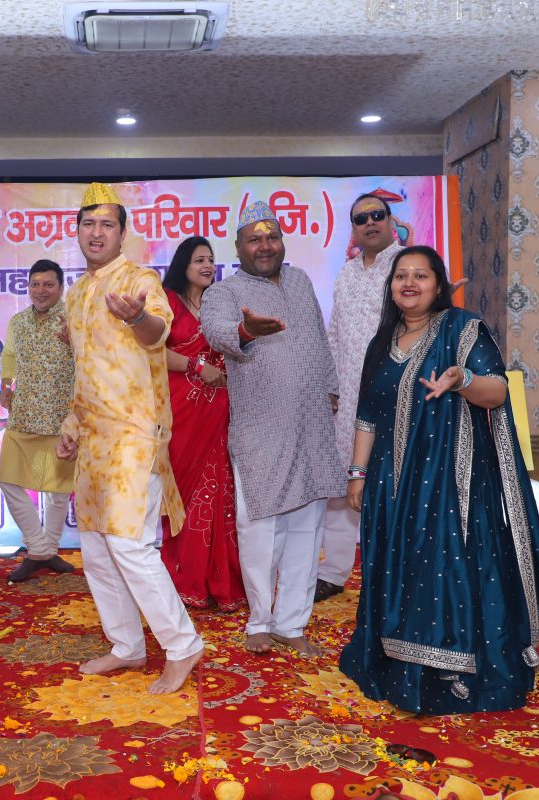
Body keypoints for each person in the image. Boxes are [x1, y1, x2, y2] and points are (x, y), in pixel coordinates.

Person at [338, 245, 539, 714]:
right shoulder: (381, 343)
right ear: (391, 287)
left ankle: (450, 672)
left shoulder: (462, 330)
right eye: (401, 275)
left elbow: (497, 391)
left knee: (444, 567)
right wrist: (357, 474)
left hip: (450, 485)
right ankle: (397, 662)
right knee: (396, 568)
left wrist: (462, 379)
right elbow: (367, 416)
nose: (409, 283)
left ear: (438, 285)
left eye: (420, 275)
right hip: (390, 485)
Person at [57, 182, 204, 695]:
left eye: (107, 225)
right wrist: (71, 426)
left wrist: (137, 315)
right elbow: (85, 369)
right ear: (77, 231)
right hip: (93, 437)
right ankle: (127, 645)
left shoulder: (140, 279)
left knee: (129, 544)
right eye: (88, 224)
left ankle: (183, 646)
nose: (96, 233)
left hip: (134, 433)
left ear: (122, 233)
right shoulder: (76, 293)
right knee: (96, 548)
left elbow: (158, 335)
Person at [200, 200, 345, 657]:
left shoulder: (300, 280)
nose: (265, 246)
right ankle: (260, 620)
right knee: (261, 528)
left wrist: (331, 388)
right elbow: (217, 333)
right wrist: (246, 331)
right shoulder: (223, 292)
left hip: (312, 426)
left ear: (282, 242)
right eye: (254, 239)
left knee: (307, 529)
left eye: (272, 237)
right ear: (238, 247)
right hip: (262, 429)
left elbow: (319, 337)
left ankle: (292, 623)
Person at [315, 193, 405, 602]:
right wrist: (330, 388)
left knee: (391, 486)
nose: (370, 222)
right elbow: (334, 334)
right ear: (352, 228)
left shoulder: (407, 266)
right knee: (341, 489)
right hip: (348, 397)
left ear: (390, 220)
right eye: (361, 218)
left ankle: (392, 577)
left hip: (395, 395)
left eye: (377, 215)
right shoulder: (347, 273)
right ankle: (333, 573)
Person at [157, 237, 244, 612]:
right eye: (199, 260)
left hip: (218, 408)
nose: (207, 266)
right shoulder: (166, 301)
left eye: (210, 259)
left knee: (218, 490)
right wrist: (195, 365)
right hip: (180, 408)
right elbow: (152, 353)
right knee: (184, 493)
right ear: (183, 265)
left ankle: (219, 581)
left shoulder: (218, 302)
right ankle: (184, 578)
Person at [0, 259, 77, 582]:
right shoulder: (18, 322)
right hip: (24, 414)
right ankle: (39, 547)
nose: (40, 291)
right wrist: (5, 385)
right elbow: (8, 355)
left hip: (62, 416)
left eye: (48, 285)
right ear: (28, 287)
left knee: (59, 491)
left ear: (60, 288)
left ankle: (47, 549)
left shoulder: (73, 319)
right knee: (8, 480)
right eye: (35, 284)